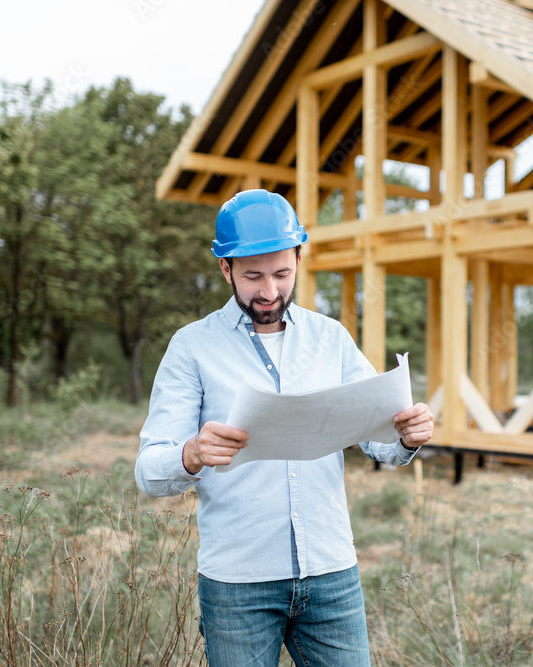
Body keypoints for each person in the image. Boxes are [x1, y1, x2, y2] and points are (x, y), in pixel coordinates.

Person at [135, 189, 434, 666]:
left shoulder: (331, 338)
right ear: (225, 268)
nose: (269, 291)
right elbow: (149, 472)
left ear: (299, 258)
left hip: (332, 572)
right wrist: (191, 453)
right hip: (238, 582)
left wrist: (405, 433)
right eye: (252, 276)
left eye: (282, 273)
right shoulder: (191, 347)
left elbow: (378, 437)